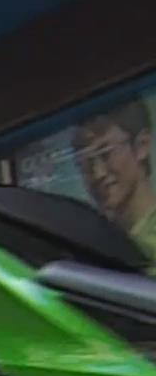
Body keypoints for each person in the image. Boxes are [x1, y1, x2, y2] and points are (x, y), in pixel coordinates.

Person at [75, 101, 156, 261]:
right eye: (85, 163)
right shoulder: (93, 253)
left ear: (142, 145)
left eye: (105, 154)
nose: (98, 173)